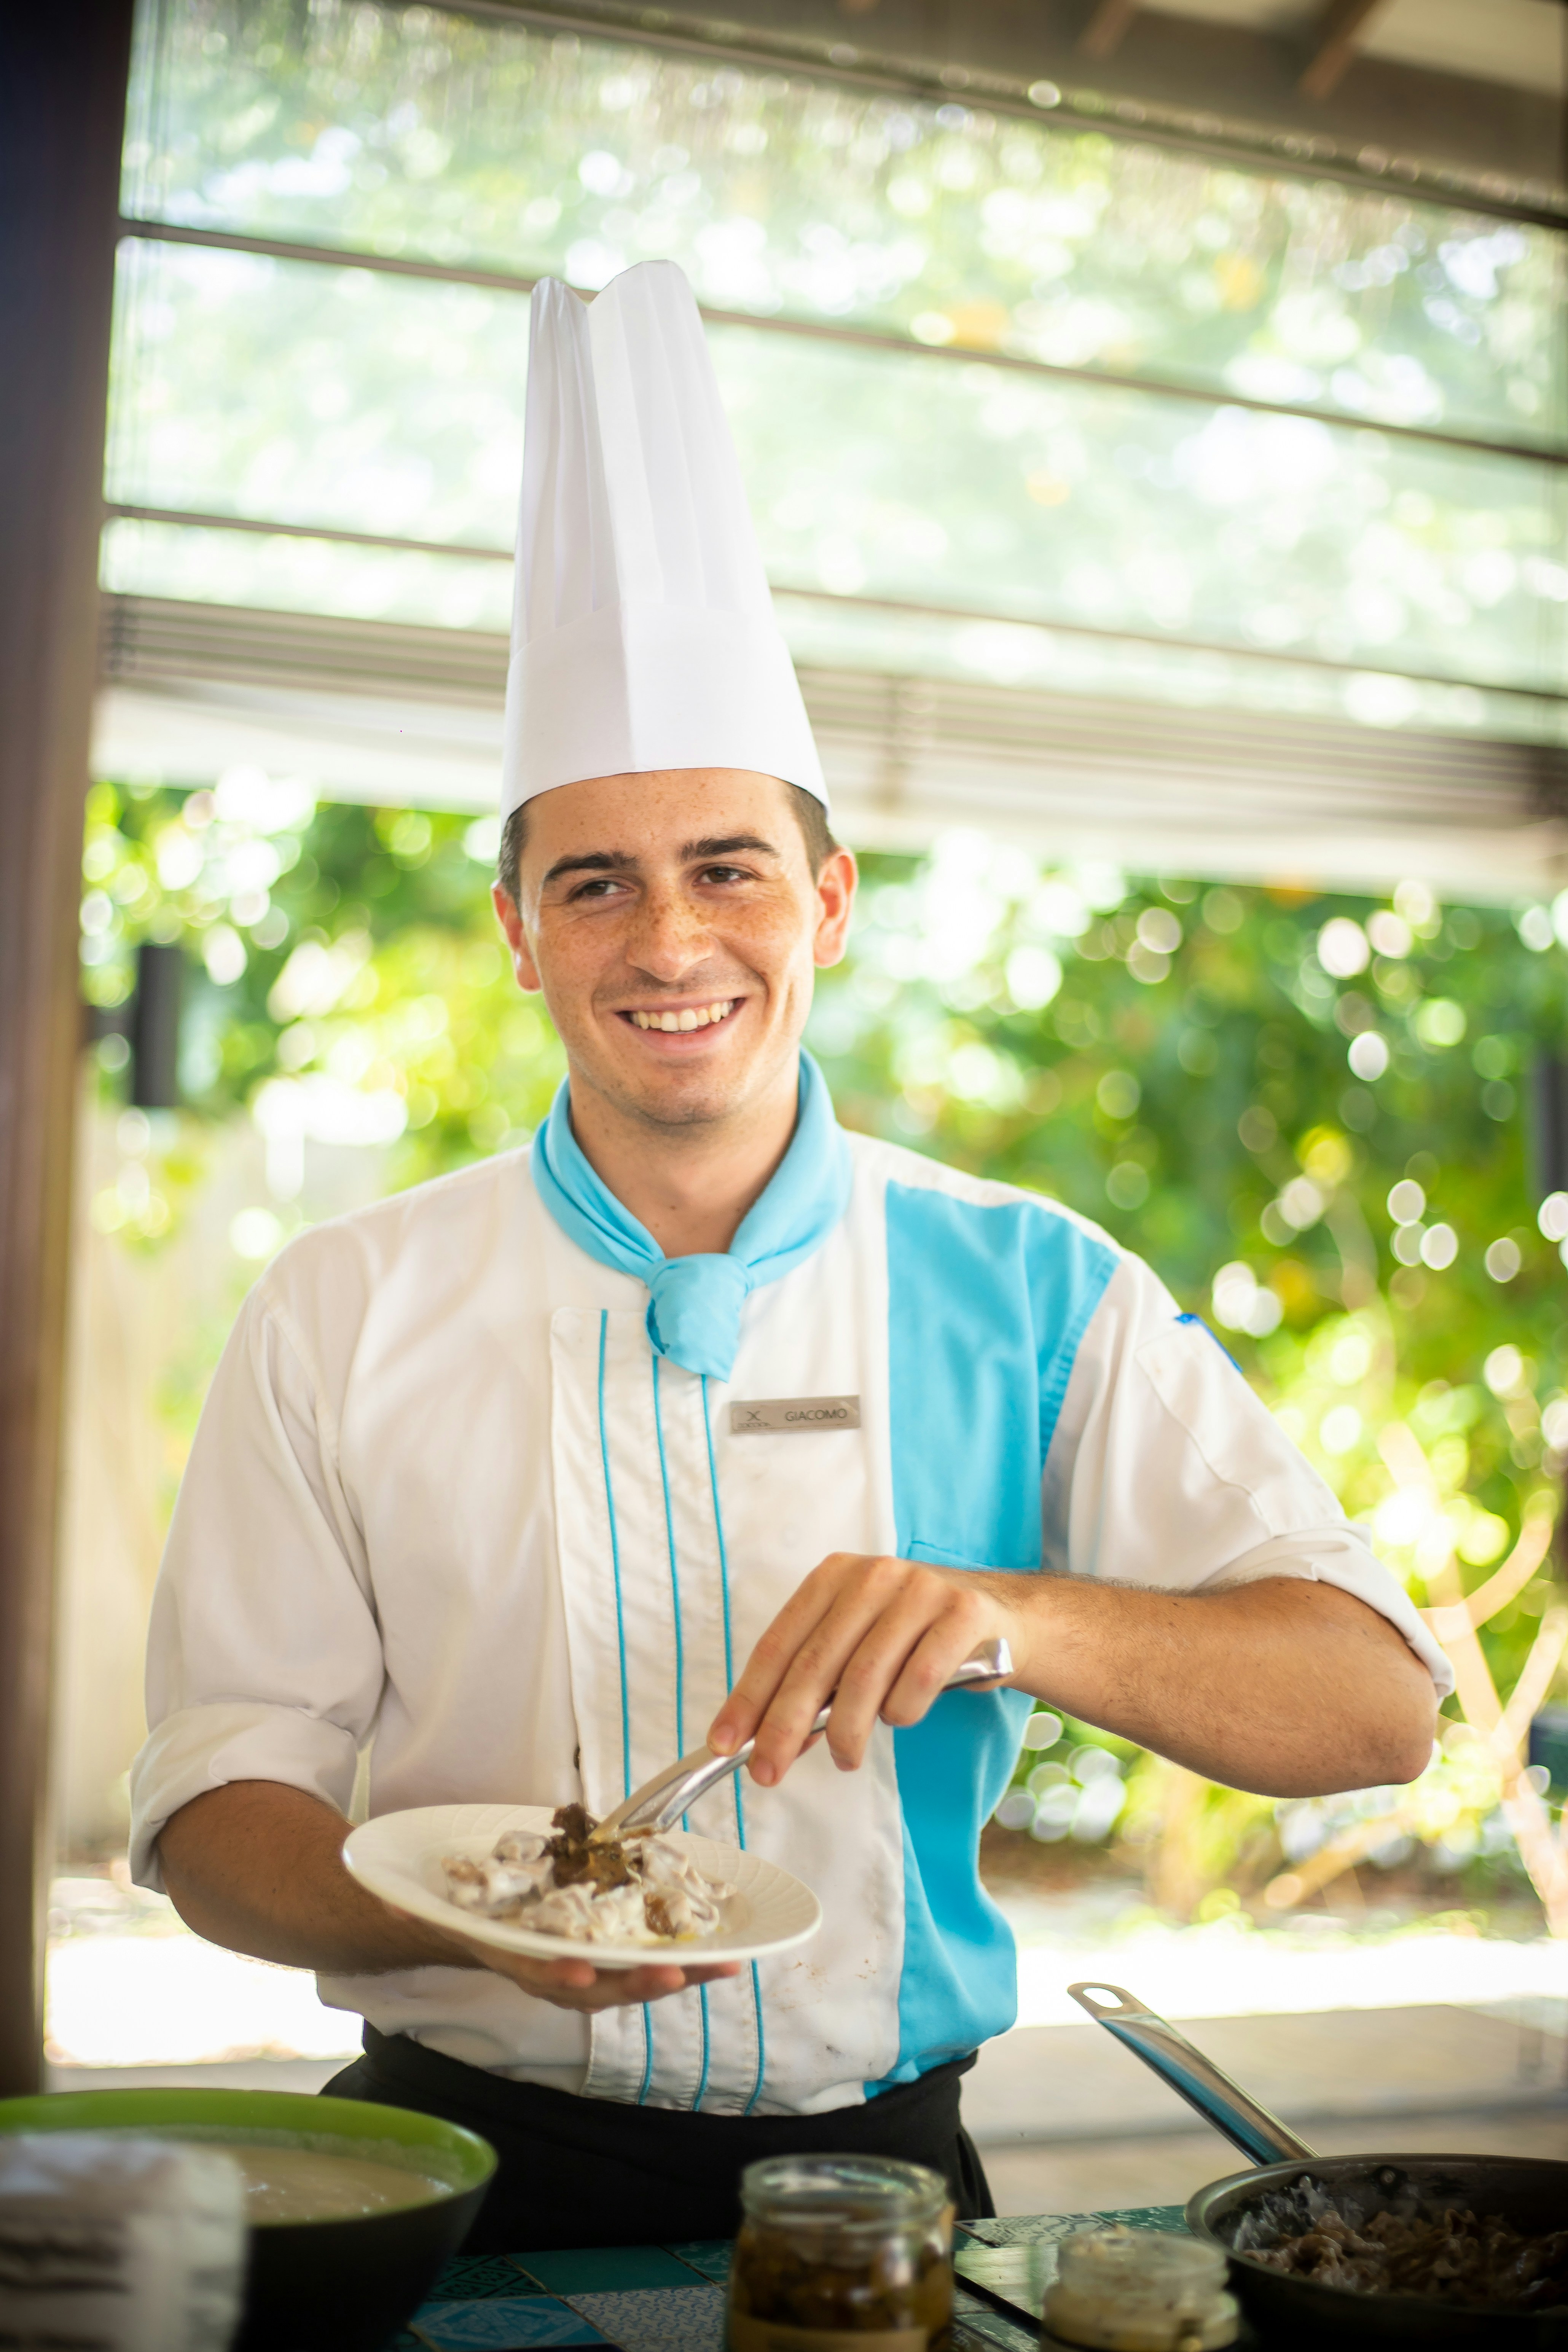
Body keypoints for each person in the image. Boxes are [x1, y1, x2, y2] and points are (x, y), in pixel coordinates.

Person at [131, 261, 1447, 2251]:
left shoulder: (1030, 1283)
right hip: (450, 2155)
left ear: (823, 897)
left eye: (727, 866)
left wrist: (1013, 1616)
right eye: (595, 881)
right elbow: (218, 1818)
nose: (669, 941)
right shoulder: (346, 1304)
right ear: (520, 930)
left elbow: (1375, 1707)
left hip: (877, 2179)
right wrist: (437, 1904)